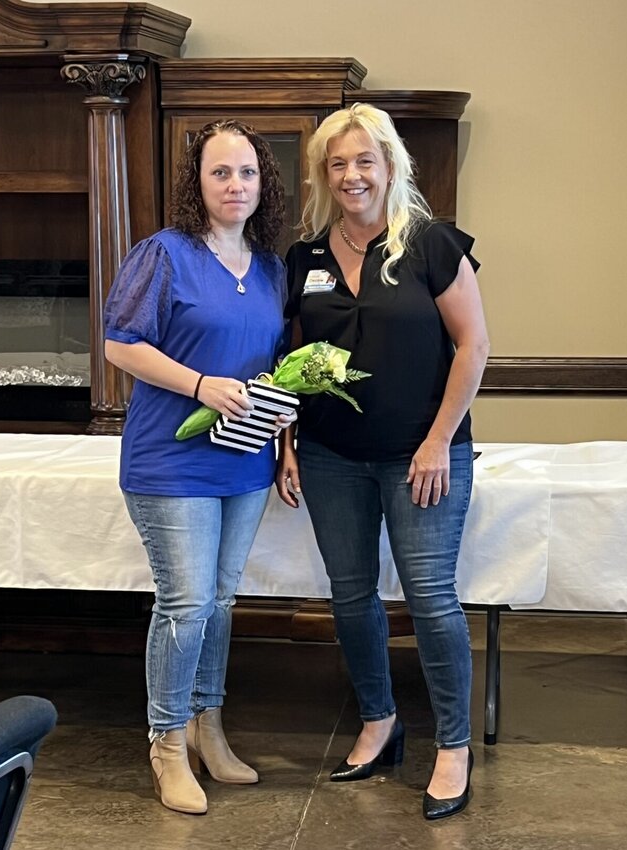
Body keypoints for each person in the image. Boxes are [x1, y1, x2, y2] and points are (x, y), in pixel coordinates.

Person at [276, 103, 489, 820]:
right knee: (348, 594)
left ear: (390, 166)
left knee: (429, 597)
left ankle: (453, 744)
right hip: (332, 455)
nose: (350, 175)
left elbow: (473, 346)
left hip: (421, 456)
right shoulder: (303, 258)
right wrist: (287, 442)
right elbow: (290, 361)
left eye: (363, 160)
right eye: (336, 164)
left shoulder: (430, 244)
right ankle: (379, 719)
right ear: (322, 175)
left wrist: (436, 441)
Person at [104, 119, 294, 815]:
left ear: (261, 183)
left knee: (218, 602)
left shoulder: (270, 267)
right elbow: (120, 345)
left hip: (243, 461)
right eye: (220, 172)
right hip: (171, 461)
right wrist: (198, 385)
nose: (235, 185)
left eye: (246, 172)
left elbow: (271, 366)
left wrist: (283, 435)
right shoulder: (164, 254)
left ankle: (205, 726)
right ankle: (164, 743)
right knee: (184, 604)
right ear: (198, 182)